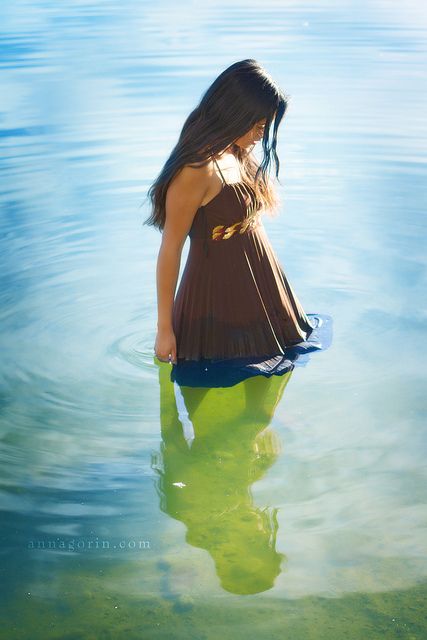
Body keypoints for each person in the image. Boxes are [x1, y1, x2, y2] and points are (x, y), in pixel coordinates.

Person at [144, 59, 332, 388]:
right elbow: (170, 249)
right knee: (209, 401)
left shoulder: (234, 150)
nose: (261, 135)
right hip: (217, 303)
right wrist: (164, 329)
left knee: (267, 394)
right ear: (234, 114)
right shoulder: (195, 170)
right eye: (258, 126)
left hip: (261, 290)